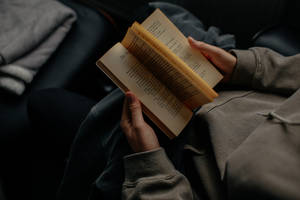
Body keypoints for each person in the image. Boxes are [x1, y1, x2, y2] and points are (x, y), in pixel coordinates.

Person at [28, 37, 300, 200]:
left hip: (175, 169)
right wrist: (246, 68)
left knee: (44, 103)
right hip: (223, 95)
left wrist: (150, 166)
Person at [119, 37, 300, 199]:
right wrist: (243, 67)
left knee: (120, 102)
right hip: (236, 86)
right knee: (159, 24)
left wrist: (150, 168)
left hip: (181, 168)